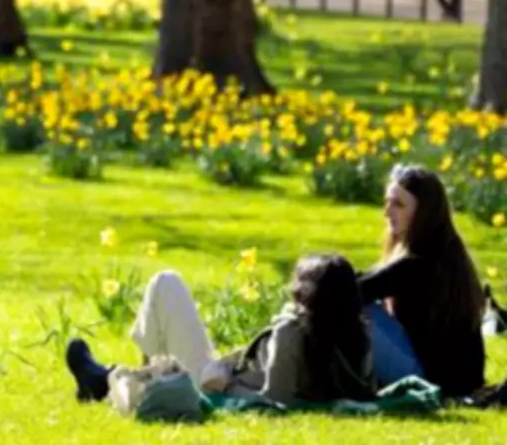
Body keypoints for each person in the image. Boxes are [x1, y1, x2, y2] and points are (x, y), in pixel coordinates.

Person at [66, 254, 375, 408]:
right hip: (231, 372)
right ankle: (127, 380)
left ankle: (122, 385)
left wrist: (225, 385)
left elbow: (273, 404)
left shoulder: (291, 334)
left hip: (218, 384)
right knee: (167, 289)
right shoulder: (357, 336)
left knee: (166, 282)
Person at [358, 165, 485, 398]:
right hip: (452, 380)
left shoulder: (421, 263)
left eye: (398, 204)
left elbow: (354, 291)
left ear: (423, 212)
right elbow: (368, 281)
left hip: (432, 382)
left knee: (357, 310)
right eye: (387, 202)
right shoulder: (443, 251)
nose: (387, 212)